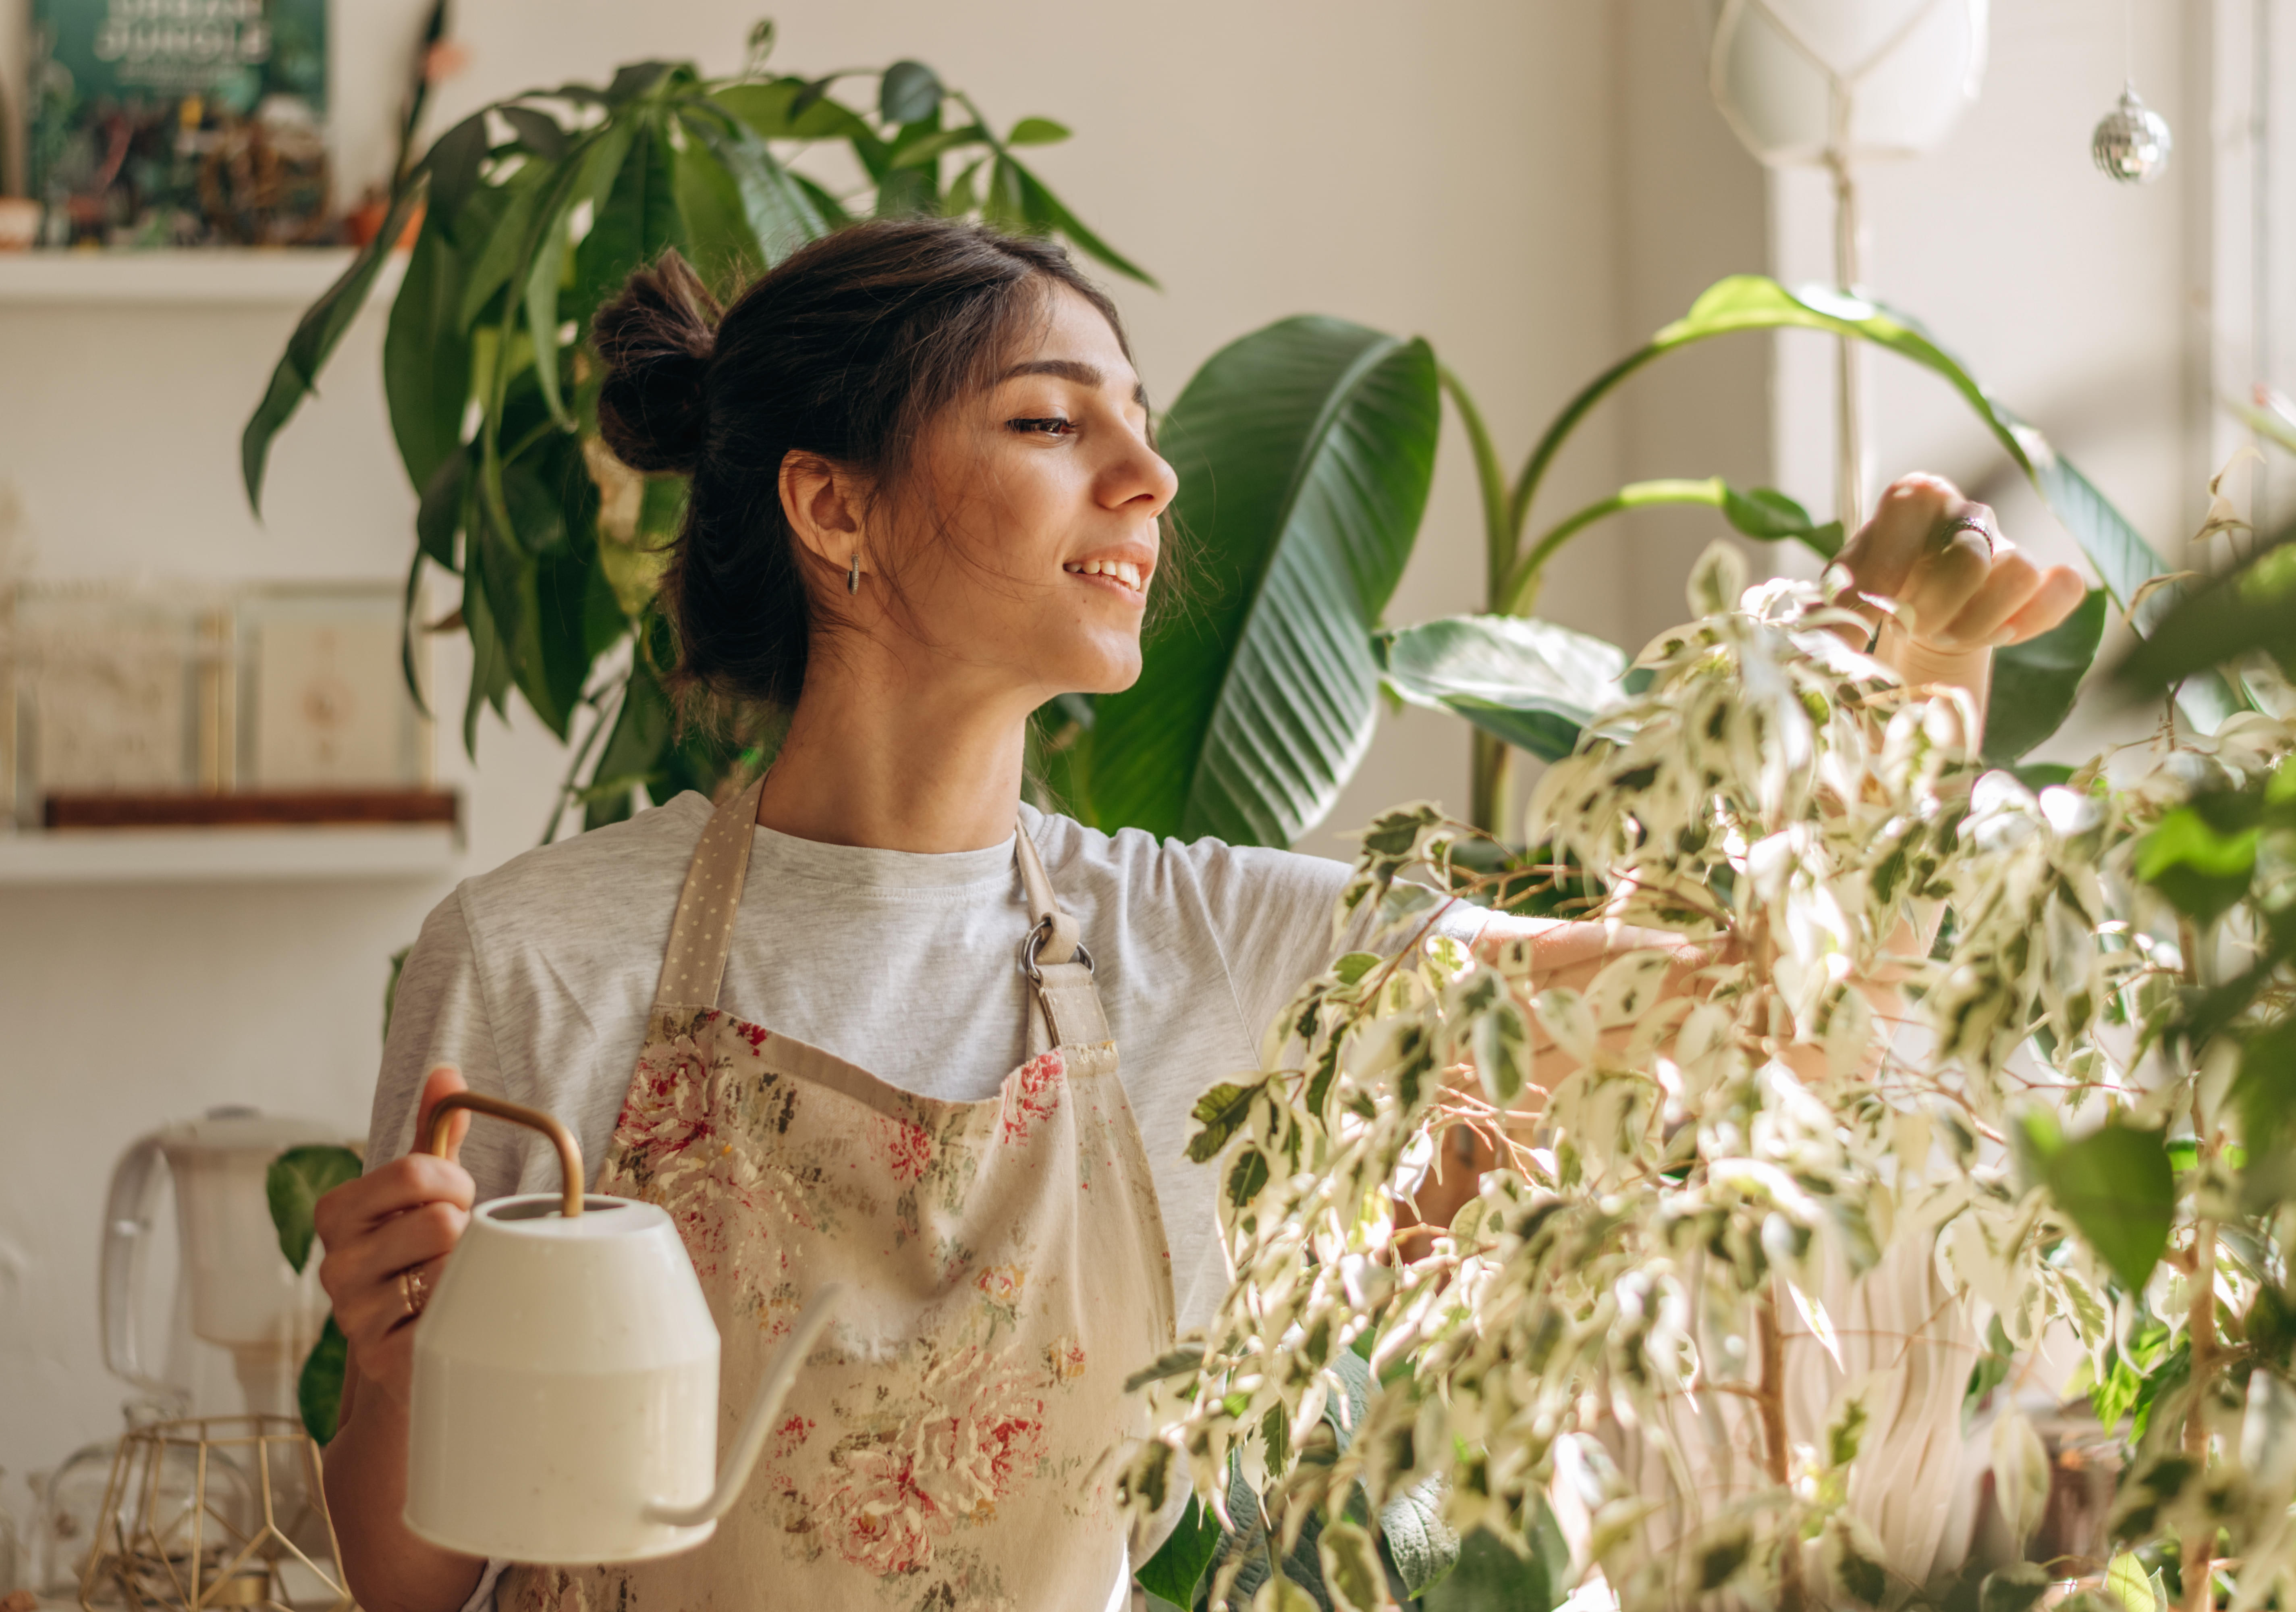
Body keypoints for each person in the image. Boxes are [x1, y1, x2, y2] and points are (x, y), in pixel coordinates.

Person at [310, 216, 2085, 1612]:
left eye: (1143, 434)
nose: (1151, 483)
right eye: (1048, 423)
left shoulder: (1217, 953)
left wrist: (1885, 681)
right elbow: (415, 1578)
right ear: (832, 507)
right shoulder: (541, 955)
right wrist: (395, 1364)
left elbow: (1713, 1007)